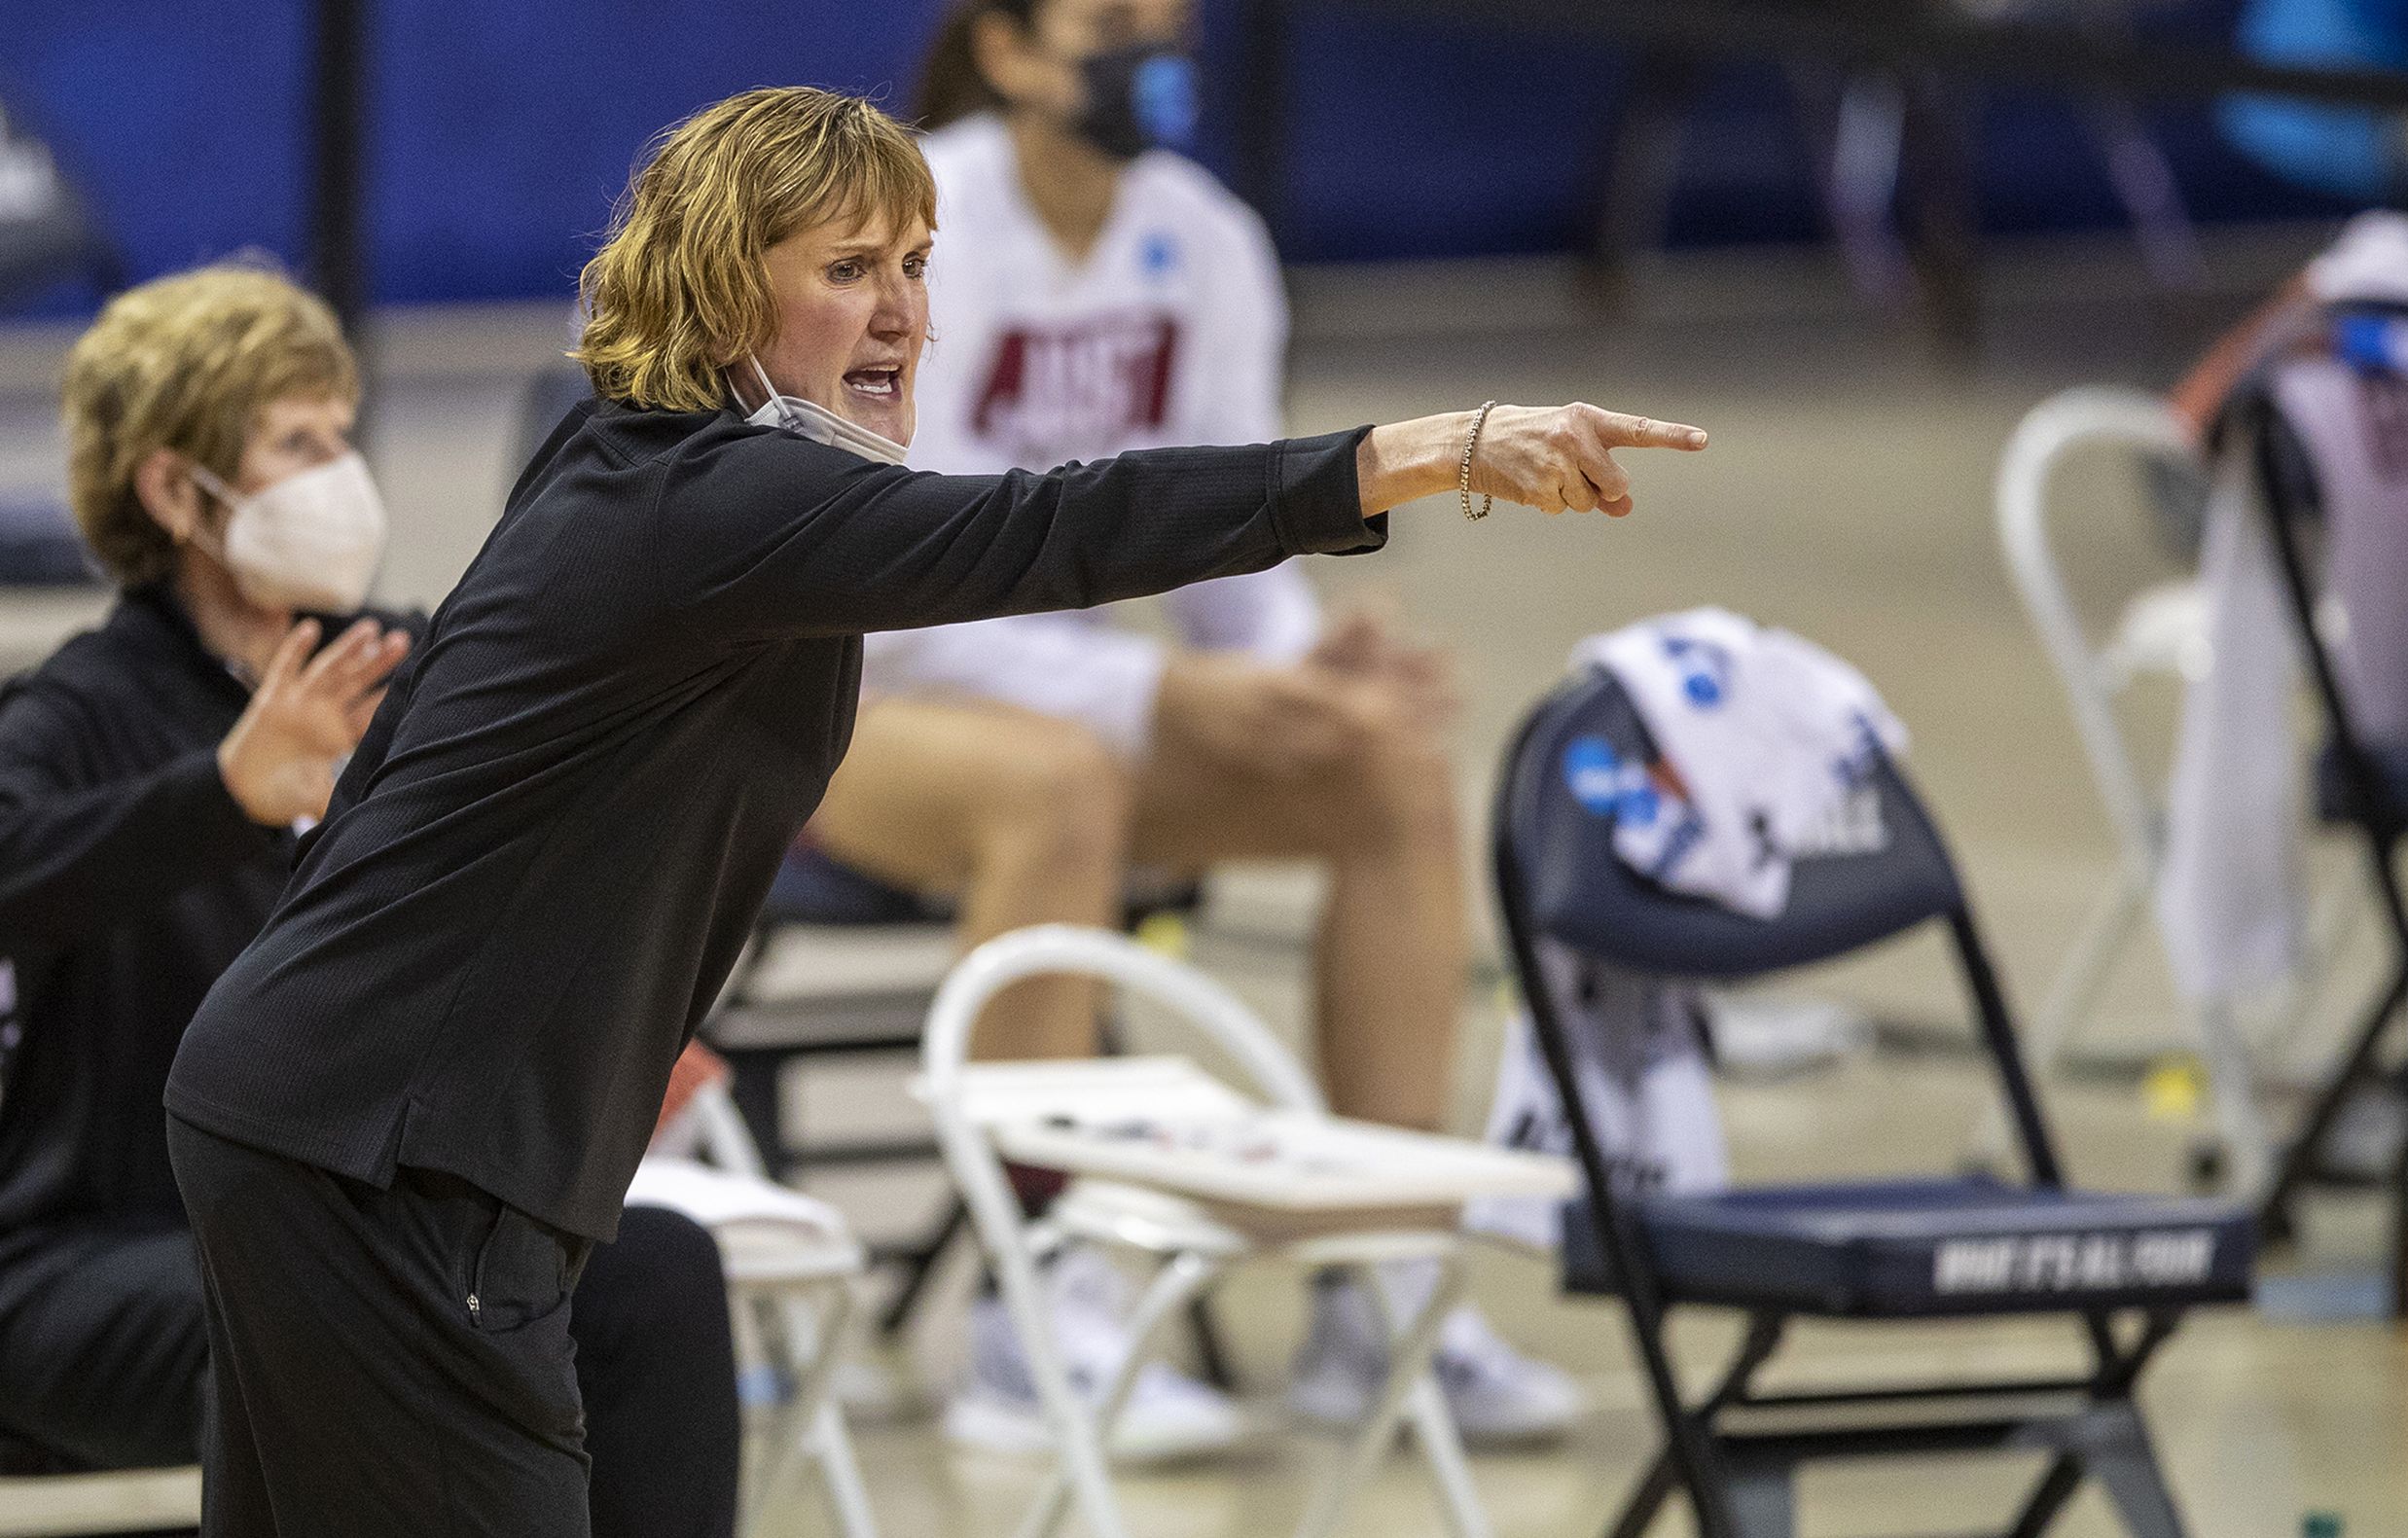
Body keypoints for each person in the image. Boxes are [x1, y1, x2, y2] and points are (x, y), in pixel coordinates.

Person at [159, 86, 1704, 1536]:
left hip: (313, 1108)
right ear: (716, 292)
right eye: (847, 266)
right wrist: (1420, 454)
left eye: (915, 261)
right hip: (386, 1158)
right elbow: (1051, 526)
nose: (901, 307)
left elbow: (410, 757)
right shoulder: (728, 504)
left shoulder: (646, 463)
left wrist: (588, 1008)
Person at [802, 0, 1577, 1455]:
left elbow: (1234, 567)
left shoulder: (1207, 238)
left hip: (1067, 704)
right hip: (845, 703)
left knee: (1385, 765)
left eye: (1173, 22)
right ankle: (1035, 1309)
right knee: (1062, 787)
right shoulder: (912, 226)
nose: (1154, 53)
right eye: (1112, 22)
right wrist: (1166, 693)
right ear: (1014, 49)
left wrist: (1299, 674)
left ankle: (1381, 1280)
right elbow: (900, 578)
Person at [0, 264, 741, 1538]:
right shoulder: (77, 711)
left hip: (365, 1211)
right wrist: (217, 796)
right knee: (335, 1306)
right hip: (78, 1258)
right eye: (296, 443)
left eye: (341, 436)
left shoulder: (403, 665)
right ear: (176, 490)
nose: (339, 471)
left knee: (657, 1274)